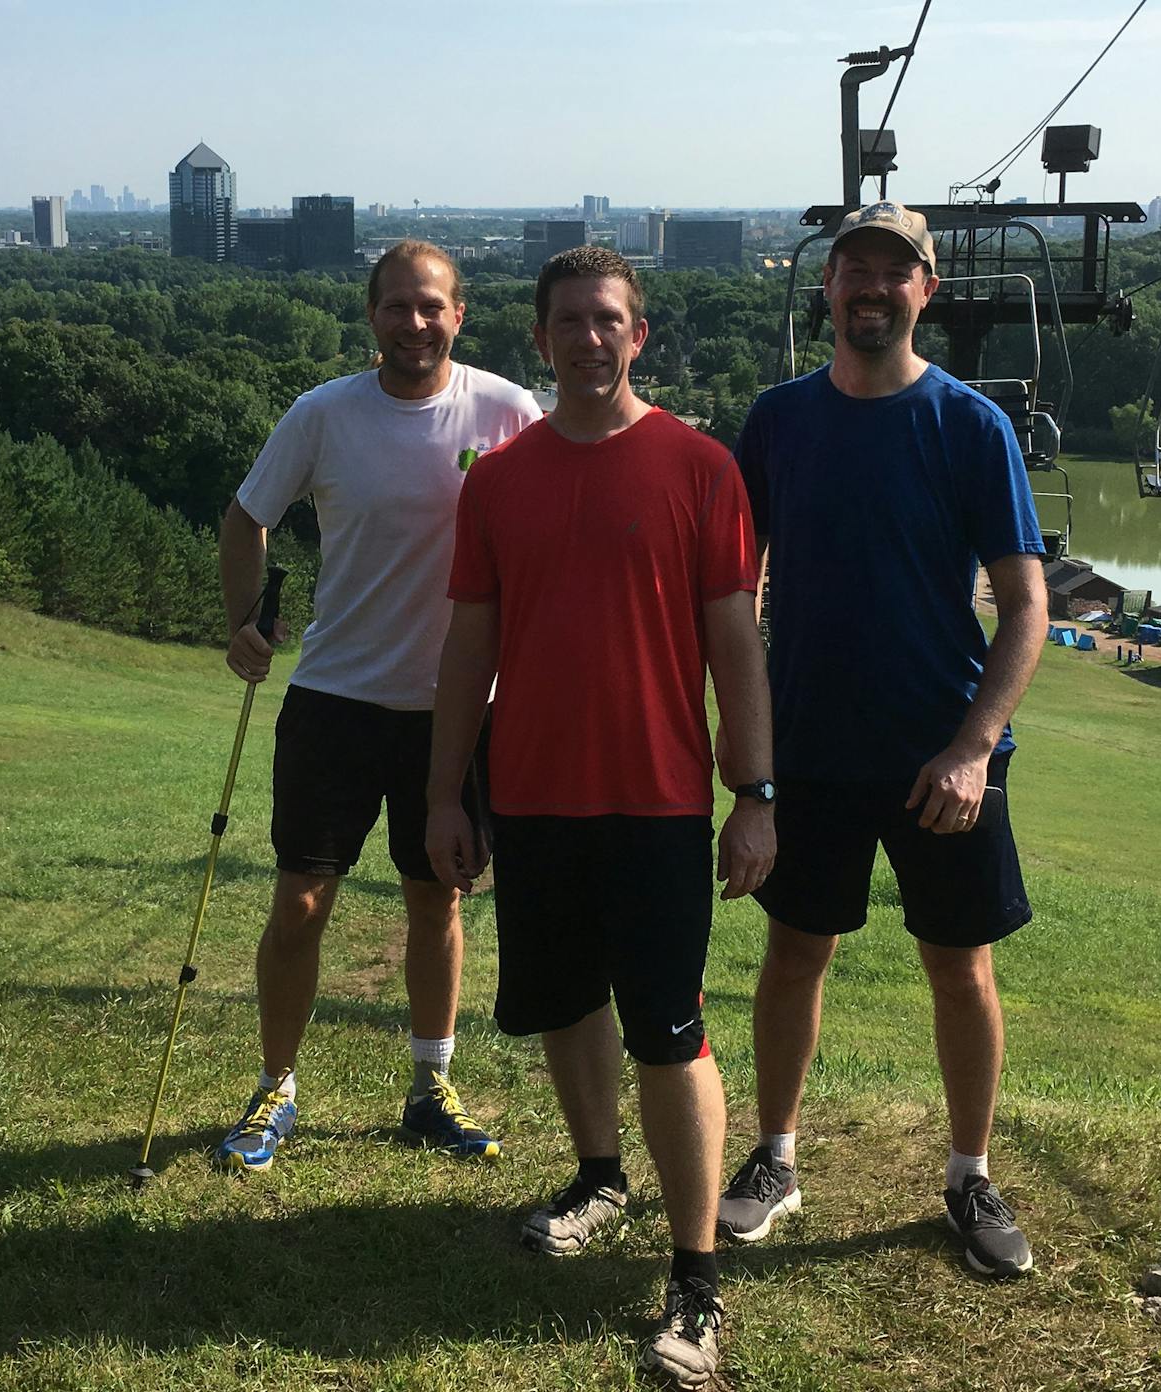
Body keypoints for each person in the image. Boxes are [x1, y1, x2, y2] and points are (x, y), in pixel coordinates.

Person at [425, 245, 775, 1387]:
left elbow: (736, 644)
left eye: (607, 320)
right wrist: (445, 792)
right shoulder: (499, 481)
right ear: (539, 340)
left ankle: (695, 1276)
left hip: (659, 803)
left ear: (638, 335)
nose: (588, 338)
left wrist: (753, 796)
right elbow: (466, 649)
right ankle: (595, 1174)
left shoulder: (698, 468)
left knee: (668, 1031)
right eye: (567, 321)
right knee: (565, 1006)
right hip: (530, 799)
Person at [715, 201, 1049, 1280]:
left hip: (938, 754)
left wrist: (972, 746)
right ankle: (774, 1156)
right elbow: (733, 585)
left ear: (925, 291)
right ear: (827, 289)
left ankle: (966, 1172)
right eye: (850, 269)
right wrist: (750, 771)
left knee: (959, 968)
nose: (869, 286)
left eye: (891, 271)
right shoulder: (776, 420)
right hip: (808, 746)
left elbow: (1024, 603)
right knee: (793, 954)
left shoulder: (968, 425)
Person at [213, 239, 542, 1173]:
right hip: (336, 699)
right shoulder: (323, 415)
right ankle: (276, 1085)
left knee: (435, 901)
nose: (414, 323)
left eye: (430, 305)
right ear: (372, 316)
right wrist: (243, 619)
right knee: (301, 901)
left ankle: (429, 1087)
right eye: (396, 307)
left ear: (459, 313)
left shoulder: (507, 409)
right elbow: (247, 518)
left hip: (460, 710)